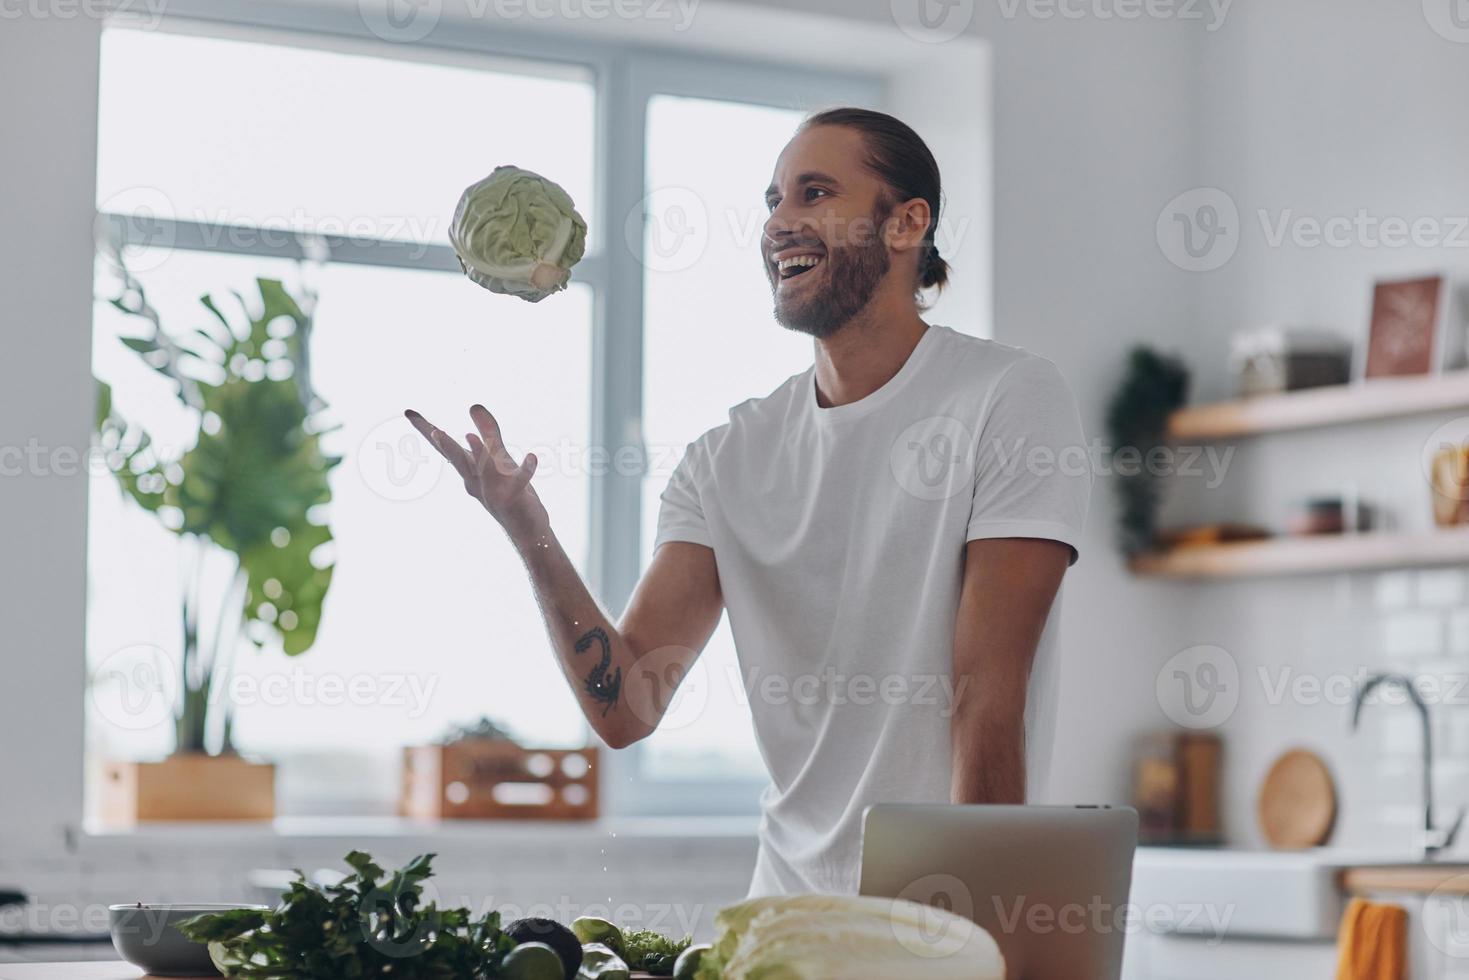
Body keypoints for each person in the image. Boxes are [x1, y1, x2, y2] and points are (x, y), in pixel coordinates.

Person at [406, 107, 1091, 897]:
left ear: (905, 224)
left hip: (932, 919)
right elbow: (626, 707)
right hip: (779, 919)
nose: (779, 223)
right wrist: (530, 533)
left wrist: (979, 938)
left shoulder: (1007, 397)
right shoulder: (725, 459)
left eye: (814, 192)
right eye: (773, 200)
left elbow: (987, 703)